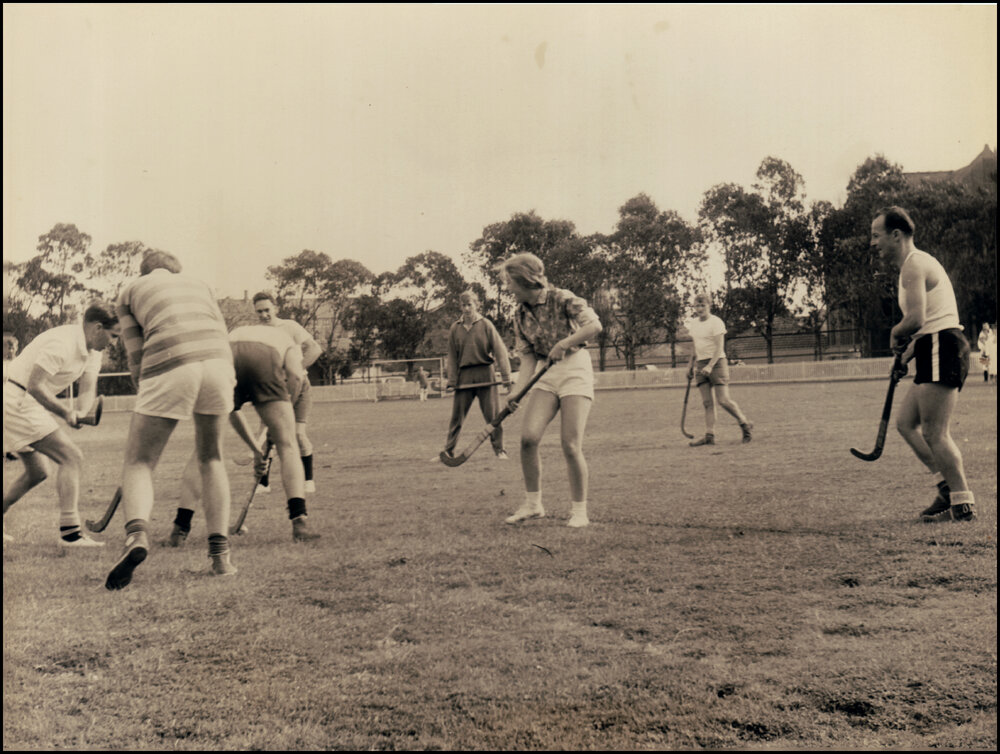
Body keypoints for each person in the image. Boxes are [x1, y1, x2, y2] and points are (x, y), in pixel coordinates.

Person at [104, 251, 237, 590]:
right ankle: (220, 558)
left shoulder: (130, 290)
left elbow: (135, 354)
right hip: (220, 362)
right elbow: (222, 332)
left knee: (139, 461)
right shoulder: (201, 284)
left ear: (144, 270)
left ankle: (136, 536)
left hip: (169, 361)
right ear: (176, 270)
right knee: (212, 458)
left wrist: (144, 388)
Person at [165, 322, 320, 545]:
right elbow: (296, 376)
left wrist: (255, 449)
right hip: (263, 359)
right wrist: (284, 414)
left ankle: (179, 530)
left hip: (224, 359)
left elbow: (232, 410)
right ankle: (299, 522)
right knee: (288, 445)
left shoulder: (235, 333)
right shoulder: (287, 341)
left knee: (202, 451)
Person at [870, 206, 976, 523]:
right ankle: (946, 487)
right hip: (933, 345)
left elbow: (916, 320)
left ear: (896, 235)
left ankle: (962, 503)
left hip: (944, 347)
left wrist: (895, 332)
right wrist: (906, 355)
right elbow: (929, 323)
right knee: (906, 423)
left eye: (876, 236)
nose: (873, 243)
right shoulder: (912, 267)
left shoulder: (914, 266)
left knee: (935, 432)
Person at [3, 305, 119, 547]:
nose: (114, 343)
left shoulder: (92, 351)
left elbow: (87, 389)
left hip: (24, 401)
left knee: (38, 472)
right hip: (17, 398)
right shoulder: (63, 343)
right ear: (98, 328)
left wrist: (79, 412)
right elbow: (36, 385)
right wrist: (66, 412)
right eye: (114, 335)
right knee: (71, 458)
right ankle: (71, 534)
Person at [500, 254, 602, 528]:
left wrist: (564, 343)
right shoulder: (519, 315)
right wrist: (516, 392)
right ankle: (533, 505)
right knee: (528, 438)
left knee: (570, 444)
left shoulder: (562, 297)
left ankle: (579, 511)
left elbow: (594, 325)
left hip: (576, 369)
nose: (507, 287)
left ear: (524, 279)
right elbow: (528, 359)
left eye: (509, 282)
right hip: (547, 371)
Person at [251, 292, 322, 494]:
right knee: (265, 435)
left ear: (275, 308)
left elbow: (314, 349)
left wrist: (296, 370)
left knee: (298, 434)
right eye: (259, 311)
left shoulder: (289, 327)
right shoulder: (257, 332)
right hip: (272, 388)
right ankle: (263, 484)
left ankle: (308, 480)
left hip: (299, 385)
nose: (264, 314)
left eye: (267, 309)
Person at [443, 290, 512, 460]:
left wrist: (506, 377)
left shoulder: (486, 325)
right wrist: (451, 380)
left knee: (493, 416)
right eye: (463, 305)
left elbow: (500, 351)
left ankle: (499, 449)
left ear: (476, 304)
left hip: (485, 375)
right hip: (464, 376)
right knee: (456, 417)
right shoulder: (455, 328)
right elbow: (452, 356)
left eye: (470, 304)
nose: (466, 308)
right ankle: (448, 451)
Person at [684, 294, 753, 446]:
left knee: (723, 400)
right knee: (707, 403)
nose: (700, 309)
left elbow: (719, 347)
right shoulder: (694, 324)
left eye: (703, 305)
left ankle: (744, 424)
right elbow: (695, 347)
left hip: (717, 363)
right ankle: (710, 436)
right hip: (701, 364)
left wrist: (710, 366)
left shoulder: (716, 322)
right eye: (697, 306)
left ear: (709, 306)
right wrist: (690, 365)